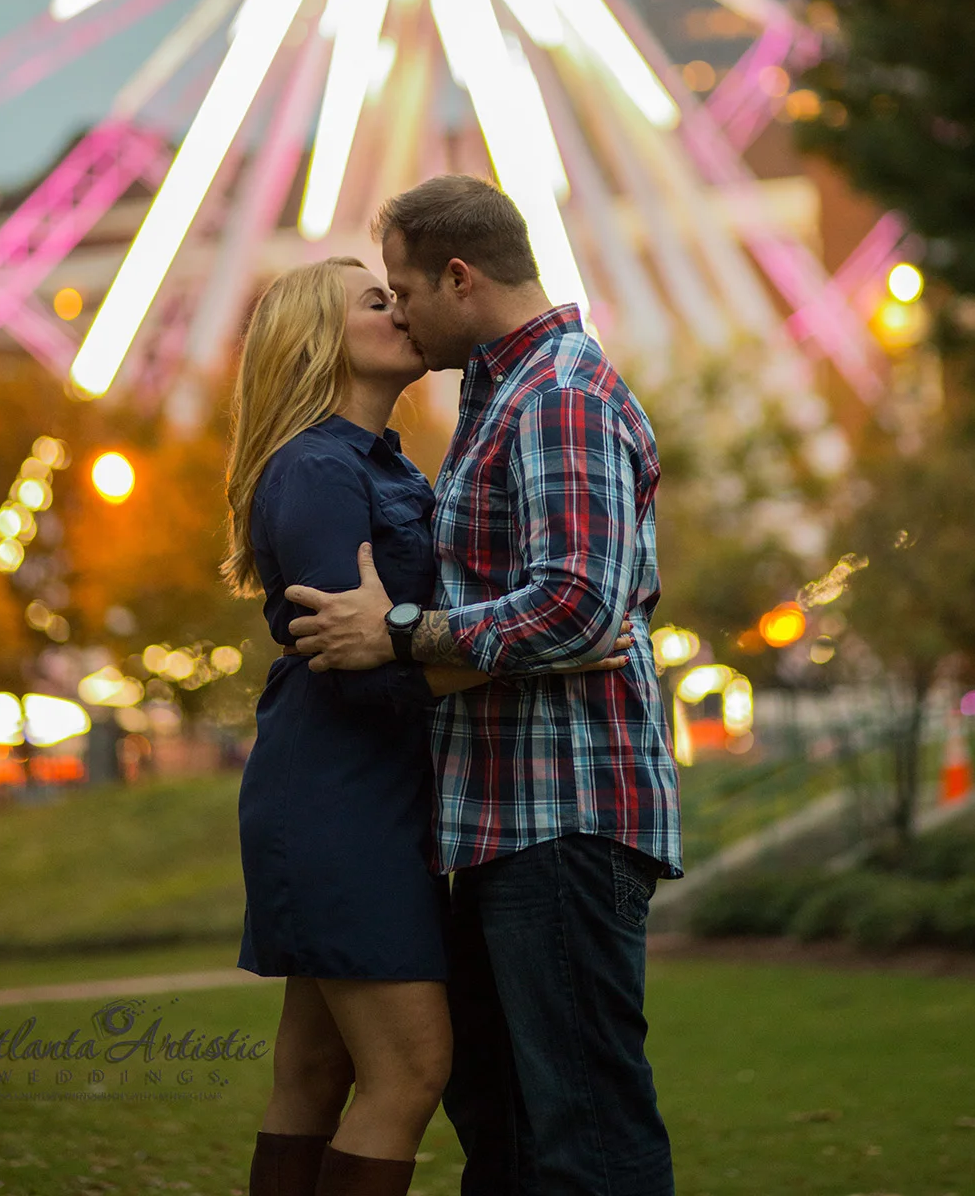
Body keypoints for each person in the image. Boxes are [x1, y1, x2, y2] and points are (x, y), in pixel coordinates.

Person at [287, 176, 684, 1196]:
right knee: (506, 1133)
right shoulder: (505, 395)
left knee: (586, 1133)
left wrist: (399, 633)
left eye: (405, 290)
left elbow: (577, 606)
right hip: (509, 822)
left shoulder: (557, 396)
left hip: (564, 816)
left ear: (460, 278)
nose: (400, 313)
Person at [224, 256, 632, 1196]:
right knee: (410, 1070)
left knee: (315, 1071)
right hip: (339, 795)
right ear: (319, 343)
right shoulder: (316, 471)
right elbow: (360, 670)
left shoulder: (391, 464)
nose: (402, 309)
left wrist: (443, 640)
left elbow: (395, 636)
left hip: (388, 790)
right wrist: (544, 652)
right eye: (378, 301)